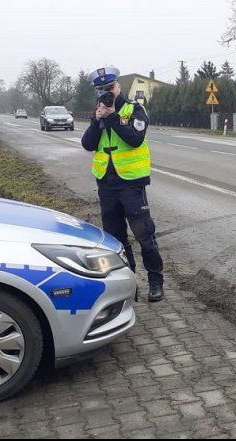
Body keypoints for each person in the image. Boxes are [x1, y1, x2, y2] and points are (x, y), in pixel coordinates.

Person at [81, 66, 165, 302]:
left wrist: (113, 117)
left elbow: (135, 139)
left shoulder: (134, 109)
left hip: (131, 185)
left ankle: (156, 281)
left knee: (144, 235)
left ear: (118, 87)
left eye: (110, 87)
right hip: (107, 185)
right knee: (116, 239)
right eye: (101, 90)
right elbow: (88, 144)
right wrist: (97, 120)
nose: (106, 93)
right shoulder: (98, 112)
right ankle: (129, 283)